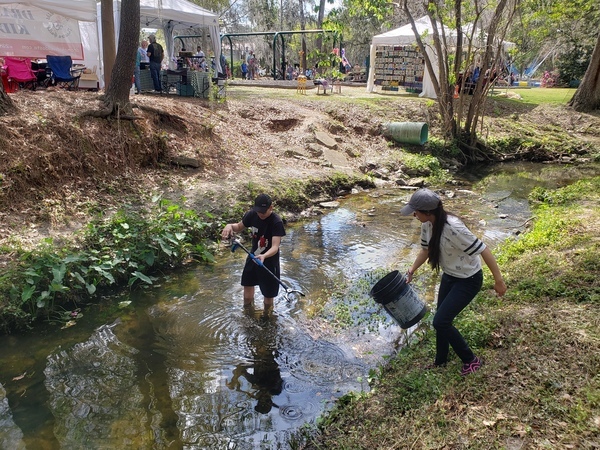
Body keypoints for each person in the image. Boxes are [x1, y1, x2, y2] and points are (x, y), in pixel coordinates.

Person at [400, 188, 507, 376]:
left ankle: (471, 360)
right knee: (442, 319)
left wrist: (498, 281)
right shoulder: (427, 225)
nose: (414, 214)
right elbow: (425, 251)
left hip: (468, 280)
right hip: (450, 276)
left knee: (440, 321)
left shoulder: (453, 227)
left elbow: (484, 249)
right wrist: (411, 270)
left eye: (416, 211)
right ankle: (440, 360)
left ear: (428, 212)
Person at [221, 194, 286, 312]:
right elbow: (239, 226)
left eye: (263, 212)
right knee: (247, 284)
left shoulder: (276, 222)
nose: (260, 214)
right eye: (258, 211)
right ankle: (247, 311)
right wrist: (229, 226)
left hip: (269, 262)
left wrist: (264, 256)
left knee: (268, 295)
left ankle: (267, 316)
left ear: (271, 208)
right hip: (253, 257)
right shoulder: (252, 215)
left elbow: (275, 247)